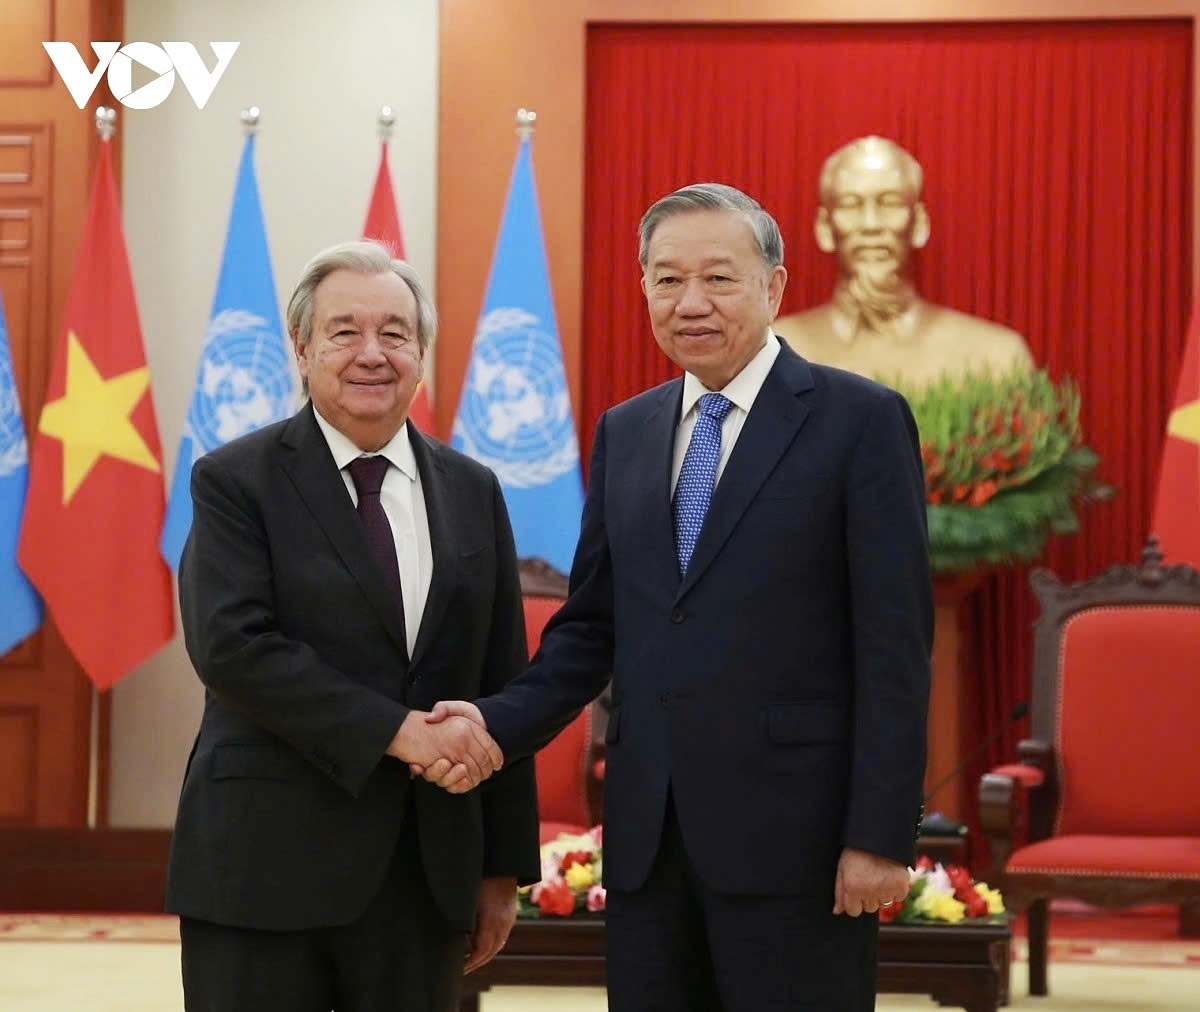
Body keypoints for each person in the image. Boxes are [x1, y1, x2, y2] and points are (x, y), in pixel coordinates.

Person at [423, 183, 933, 1011]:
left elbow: (895, 649)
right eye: (666, 280)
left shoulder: (860, 422)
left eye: (718, 279)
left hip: (797, 849)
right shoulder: (628, 431)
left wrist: (877, 838)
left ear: (774, 287)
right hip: (649, 844)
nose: (689, 302)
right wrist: (490, 724)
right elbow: (589, 632)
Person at [164, 240, 540, 1012]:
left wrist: (502, 870)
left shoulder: (473, 490)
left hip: (424, 872)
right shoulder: (235, 480)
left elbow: (502, 680)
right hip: (261, 868)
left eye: (395, 333)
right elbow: (234, 648)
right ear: (301, 352)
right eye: (344, 332)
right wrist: (400, 732)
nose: (372, 353)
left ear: (422, 354)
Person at [773, 135, 1035, 388]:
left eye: (890, 203)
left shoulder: (995, 358)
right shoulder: (770, 355)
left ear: (919, 223)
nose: (871, 224)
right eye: (850, 205)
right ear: (824, 228)